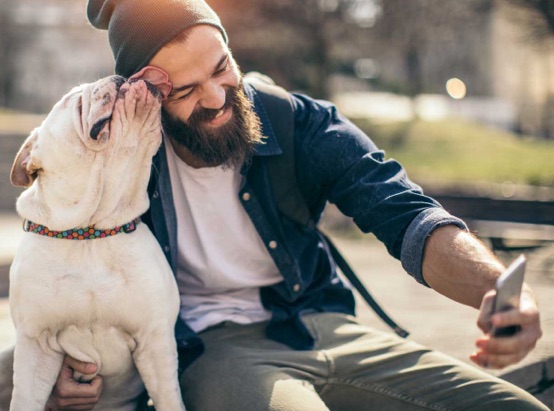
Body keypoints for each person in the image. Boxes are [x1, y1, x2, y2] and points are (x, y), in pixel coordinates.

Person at [40, 0, 547, 409]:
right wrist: (69, 366)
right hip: (212, 349)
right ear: (146, 95)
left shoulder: (295, 121)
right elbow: (70, 264)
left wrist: (498, 290)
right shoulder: (117, 161)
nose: (217, 98)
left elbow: (406, 214)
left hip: (322, 325)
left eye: (222, 69)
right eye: (188, 90)